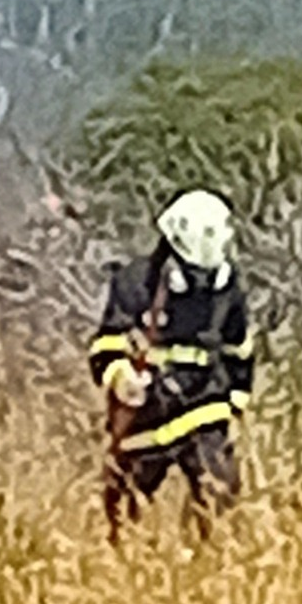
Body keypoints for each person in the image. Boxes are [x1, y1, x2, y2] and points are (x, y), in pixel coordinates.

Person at [87, 189, 254, 545]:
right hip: (147, 410)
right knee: (125, 505)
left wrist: (237, 399)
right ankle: (124, 564)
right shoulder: (136, 281)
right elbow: (107, 343)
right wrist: (121, 377)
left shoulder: (227, 286)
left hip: (204, 401)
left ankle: (209, 561)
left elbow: (238, 346)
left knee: (219, 491)